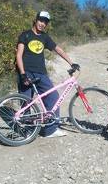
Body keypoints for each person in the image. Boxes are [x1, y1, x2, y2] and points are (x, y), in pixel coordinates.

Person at [16, 10, 80, 138]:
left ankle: (50, 130)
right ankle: (27, 130)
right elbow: (18, 54)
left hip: (41, 74)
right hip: (26, 71)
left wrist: (71, 62)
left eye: (45, 22)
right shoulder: (25, 35)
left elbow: (58, 50)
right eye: (41, 20)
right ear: (36, 20)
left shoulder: (45, 37)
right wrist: (22, 74)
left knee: (53, 97)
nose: (42, 24)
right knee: (26, 102)